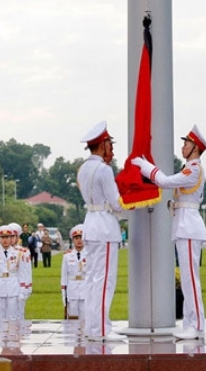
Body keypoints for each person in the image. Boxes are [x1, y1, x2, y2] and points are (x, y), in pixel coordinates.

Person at [133, 124, 206, 340]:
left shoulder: (193, 168)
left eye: (186, 143)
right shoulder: (190, 167)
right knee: (188, 279)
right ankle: (190, 324)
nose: (183, 147)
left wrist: (145, 165)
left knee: (190, 279)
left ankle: (196, 326)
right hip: (184, 224)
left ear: (195, 147)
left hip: (188, 226)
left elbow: (165, 182)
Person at [77, 121, 126, 342]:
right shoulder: (104, 169)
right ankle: (101, 329)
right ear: (102, 144)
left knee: (92, 280)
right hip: (105, 227)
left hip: (91, 224)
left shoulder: (83, 168)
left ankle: (93, 326)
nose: (111, 148)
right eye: (109, 144)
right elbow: (116, 203)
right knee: (104, 280)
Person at [0, 224, 30, 322]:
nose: (5, 240)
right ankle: (1, 337)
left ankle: (12, 337)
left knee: (13, 317)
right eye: (2, 237)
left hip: (13, 287)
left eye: (7, 237)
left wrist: (22, 291)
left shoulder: (18, 253)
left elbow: (22, 273)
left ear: (11, 237)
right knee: (0, 317)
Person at [61, 224, 87, 320]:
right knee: (72, 319)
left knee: (84, 318)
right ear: (73, 240)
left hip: (85, 289)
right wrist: (64, 295)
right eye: (76, 238)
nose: (79, 240)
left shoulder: (89, 255)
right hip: (72, 290)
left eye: (81, 237)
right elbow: (64, 277)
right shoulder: (67, 256)